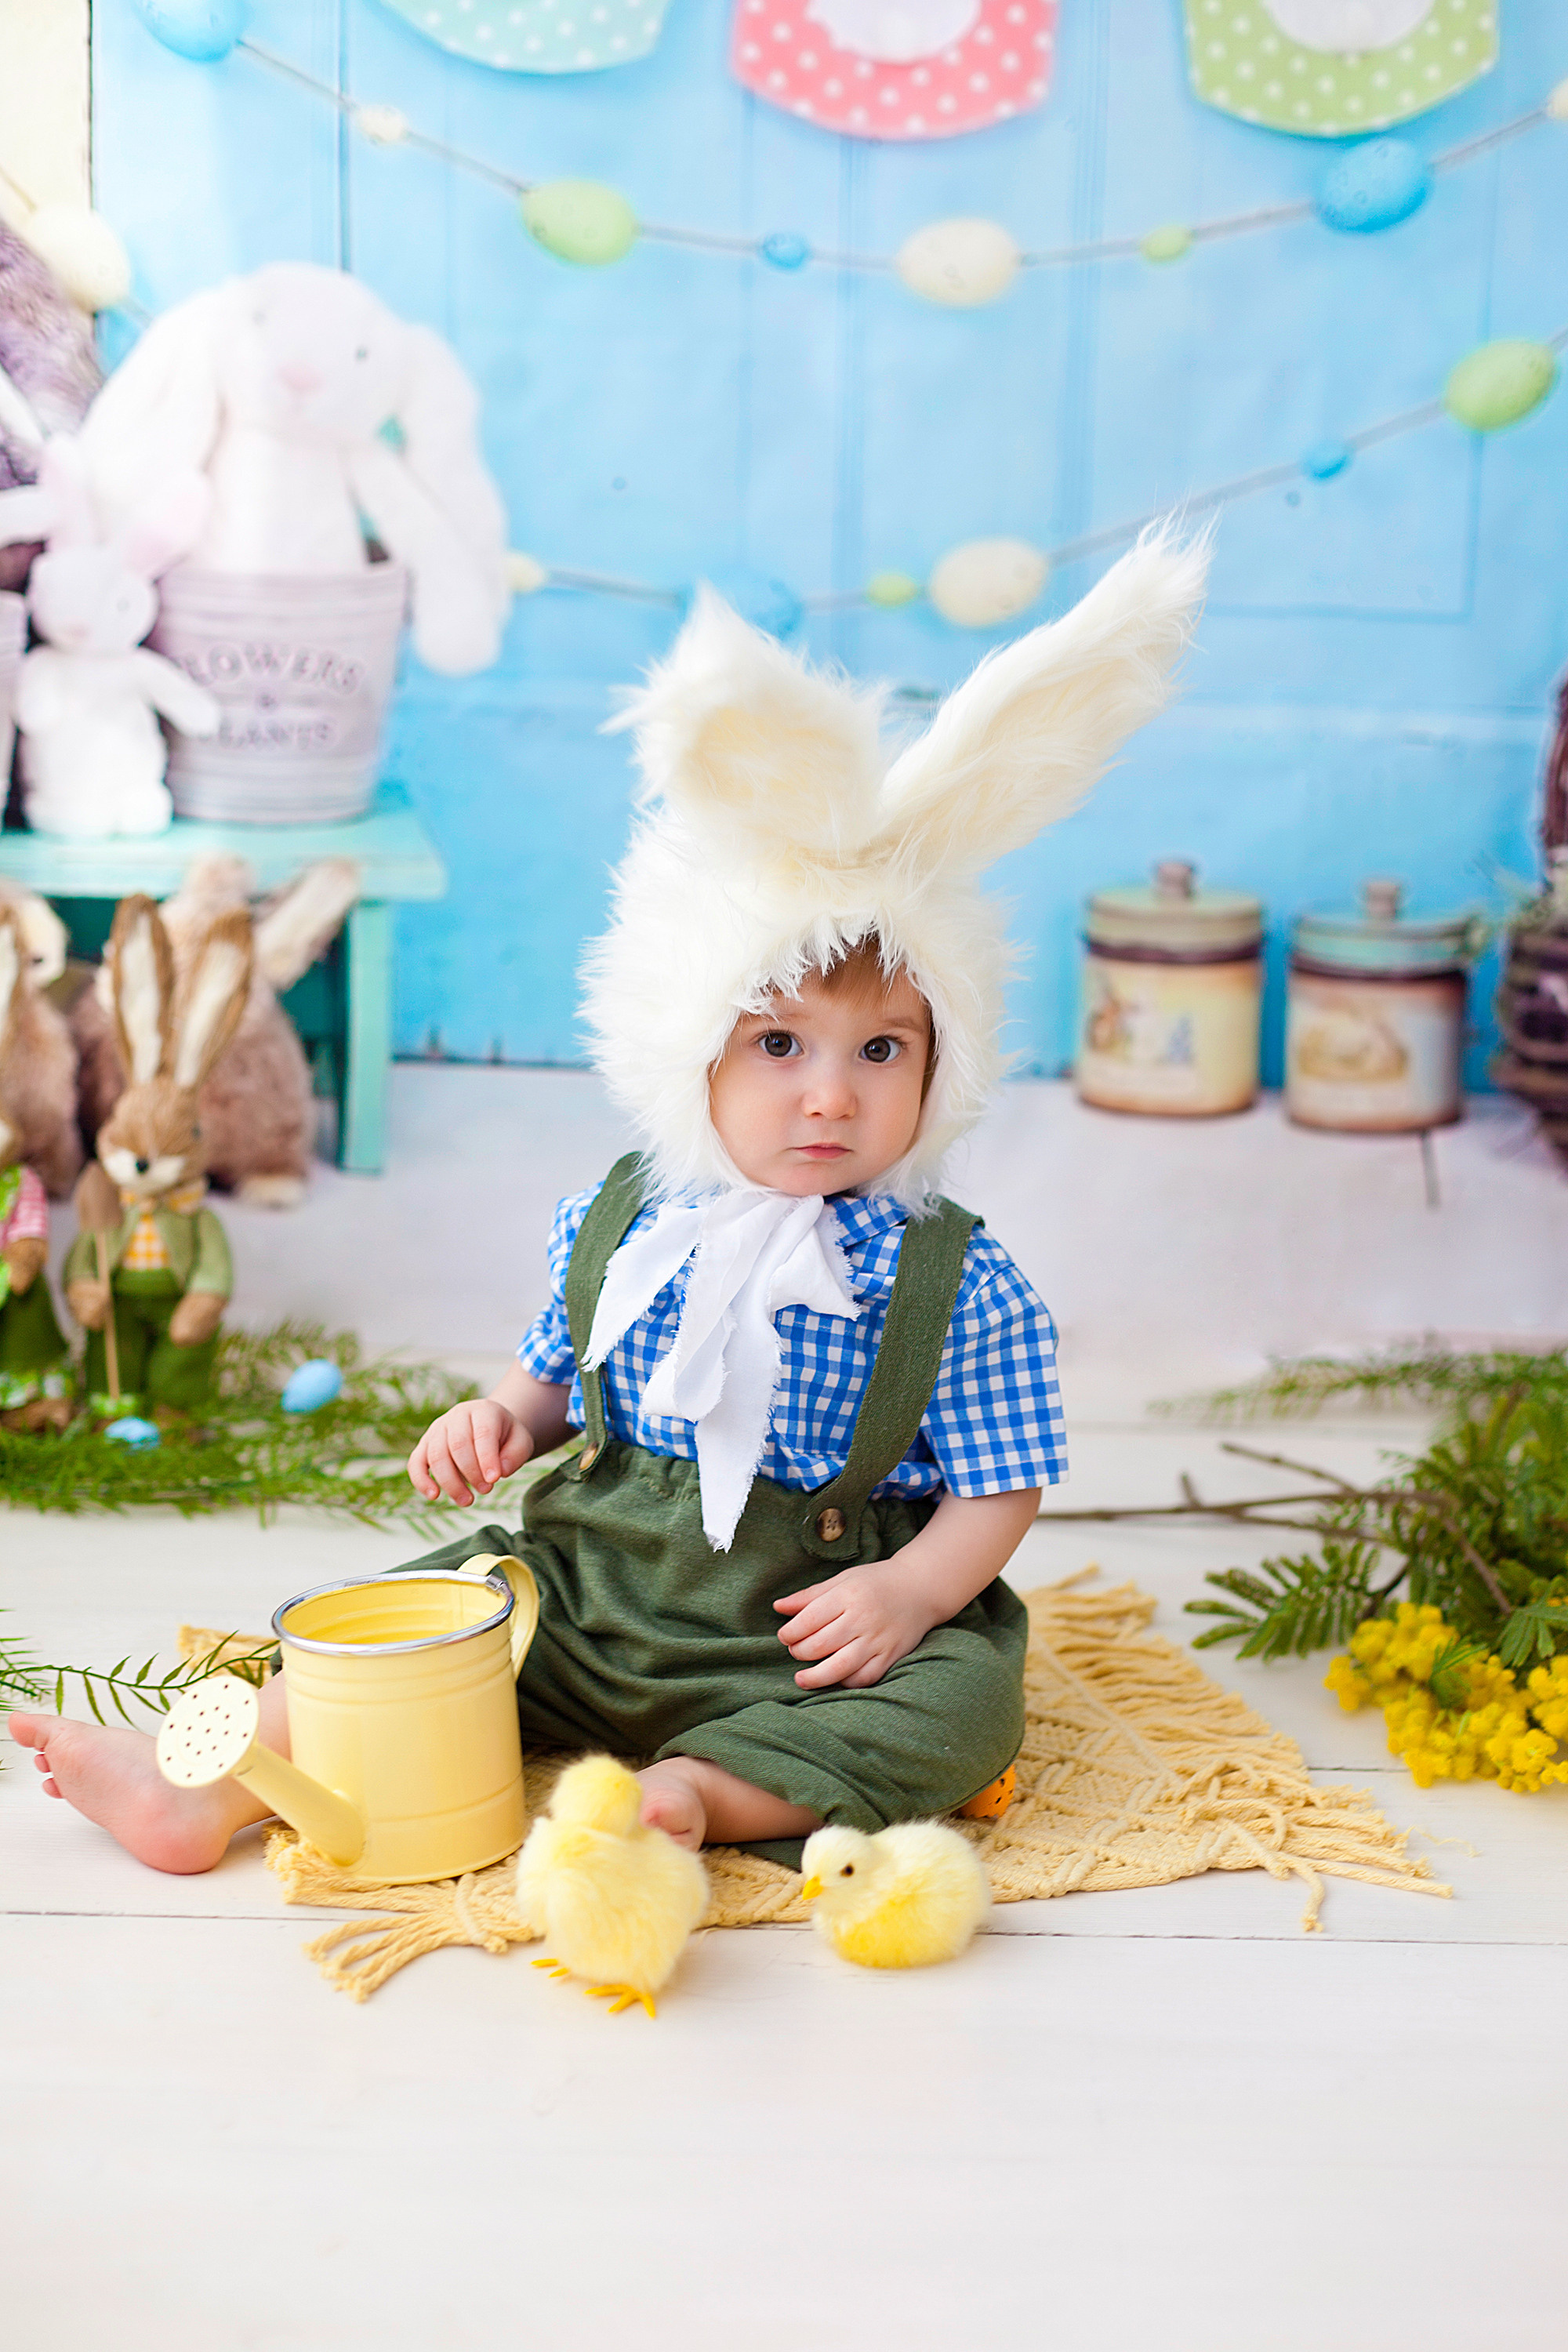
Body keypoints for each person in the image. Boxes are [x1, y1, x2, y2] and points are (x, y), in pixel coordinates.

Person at [9, 529, 1207, 1871]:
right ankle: (206, 1786)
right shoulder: (626, 1218)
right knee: (413, 1609)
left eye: (881, 1052)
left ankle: (697, 1798)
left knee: (966, 1705)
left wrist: (909, 1589)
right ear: (690, 1047)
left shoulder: (953, 1279)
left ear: (943, 1066)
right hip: (589, 1598)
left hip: (807, 1636)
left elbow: (999, 1487)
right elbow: (554, 1386)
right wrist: (498, 1420)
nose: (830, 1097)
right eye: (778, 1047)